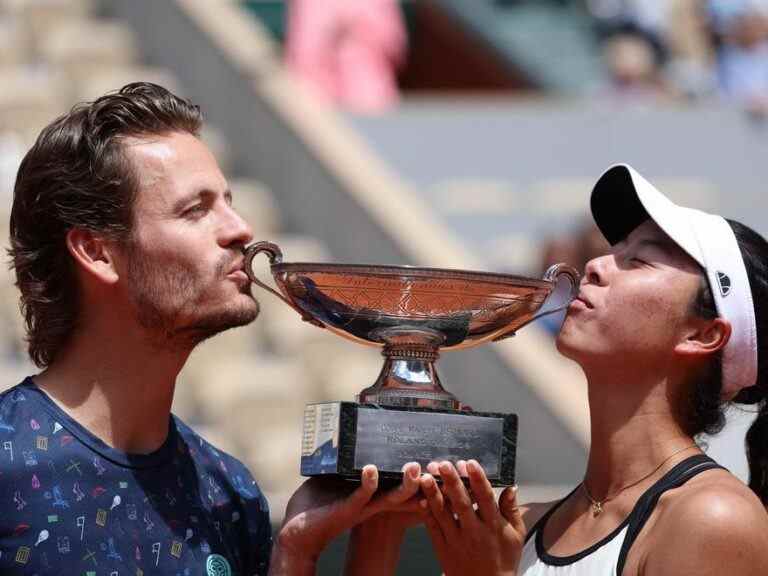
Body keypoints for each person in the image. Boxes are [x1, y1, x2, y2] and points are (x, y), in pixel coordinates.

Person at [1, 82, 419, 575]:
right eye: (195, 210)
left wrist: (296, 555)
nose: (240, 228)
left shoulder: (228, 490)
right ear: (97, 252)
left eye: (228, 201)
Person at [412, 163, 768, 574]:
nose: (597, 264)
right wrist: (377, 527)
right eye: (615, 251)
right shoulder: (521, 527)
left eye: (639, 260)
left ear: (703, 335)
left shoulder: (715, 518)